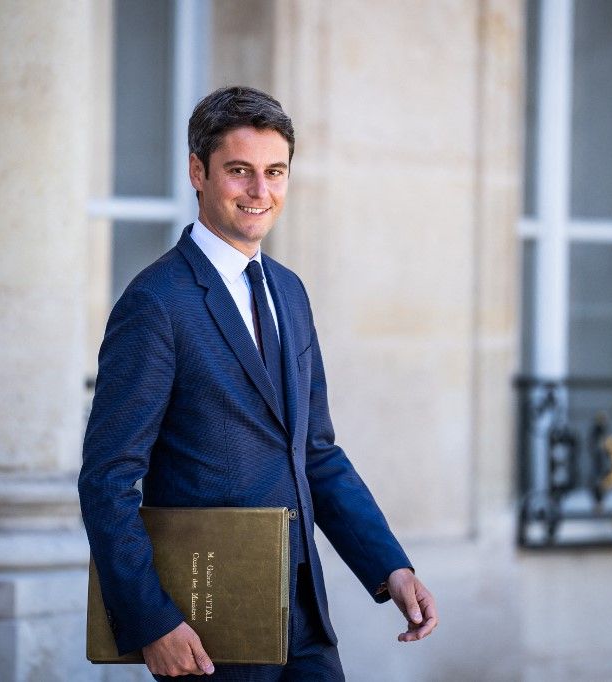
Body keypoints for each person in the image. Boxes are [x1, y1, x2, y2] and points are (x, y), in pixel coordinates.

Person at [78, 86, 438, 680]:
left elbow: (316, 453)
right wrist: (152, 623)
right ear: (198, 171)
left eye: (275, 172)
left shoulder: (290, 293)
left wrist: (390, 567)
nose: (259, 191)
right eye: (239, 171)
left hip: (305, 617)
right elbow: (107, 478)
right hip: (207, 628)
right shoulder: (155, 303)